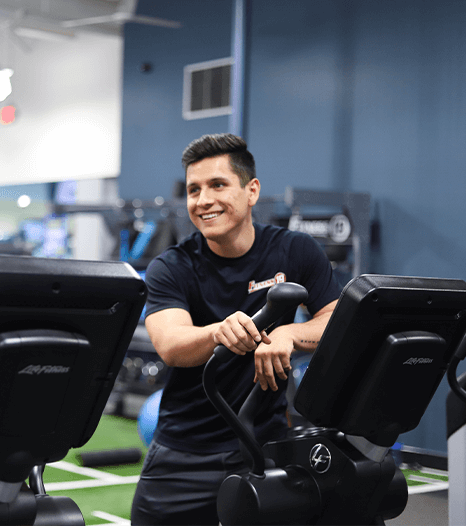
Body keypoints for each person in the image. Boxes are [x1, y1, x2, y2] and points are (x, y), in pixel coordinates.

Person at [130, 134, 341, 525]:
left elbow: (336, 320)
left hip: (265, 443)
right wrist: (218, 332)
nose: (203, 200)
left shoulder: (295, 251)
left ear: (251, 191)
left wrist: (289, 335)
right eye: (194, 190)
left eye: (217, 185)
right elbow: (171, 345)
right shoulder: (171, 267)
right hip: (185, 452)